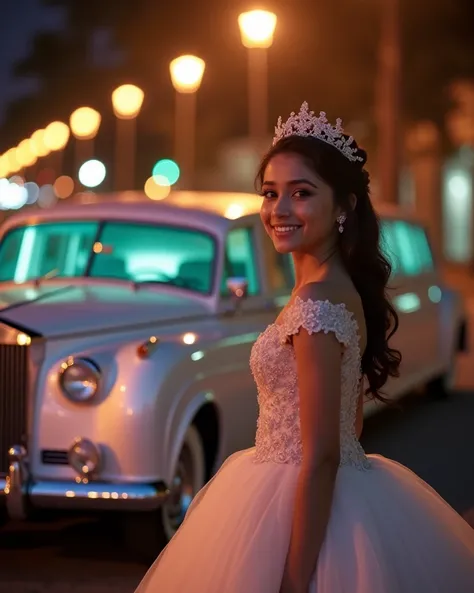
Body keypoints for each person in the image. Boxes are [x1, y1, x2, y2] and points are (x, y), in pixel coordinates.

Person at [135, 103, 474, 593]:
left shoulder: (316, 305)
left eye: (302, 193)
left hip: (296, 500)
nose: (280, 210)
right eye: (271, 194)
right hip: (330, 492)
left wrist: (294, 578)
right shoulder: (336, 290)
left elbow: (321, 458)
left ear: (343, 207)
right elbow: (350, 424)